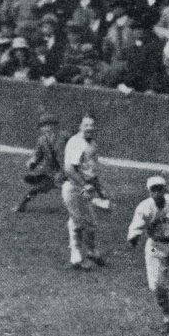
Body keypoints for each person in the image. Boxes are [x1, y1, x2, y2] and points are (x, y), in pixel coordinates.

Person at [127, 175, 169, 334]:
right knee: (157, 284)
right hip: (156, 245)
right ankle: (167, 318)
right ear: (149, 192)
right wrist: (134, 237)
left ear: (165, 190)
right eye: (153, 190)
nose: (157, 193)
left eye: (160, 189)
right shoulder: (144, 207)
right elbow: (135, 228)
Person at [61, 115, 109, 270]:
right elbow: (69, 169)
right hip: (74, 187)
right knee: (77, 221)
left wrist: (100, 190)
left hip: (84, 188)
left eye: (92, 125)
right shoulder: (76, 143)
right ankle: (76, 257)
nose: (89, 127)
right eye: (86, 124)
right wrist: (83, 185)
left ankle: (91, 251)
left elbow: (91, 171)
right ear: (80, 126)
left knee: (91, 222)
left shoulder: (93, 144)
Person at [16, 113, 62, 213]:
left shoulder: (63, 138)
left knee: (78, 188)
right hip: (50, 172)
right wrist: (32, 162)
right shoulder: (42, 140)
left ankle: (90, 200)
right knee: (36, 189)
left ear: (54, 126)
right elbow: (37, 155)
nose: (46, 128)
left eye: (48, 125)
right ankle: (21, 205)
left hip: (64, 169)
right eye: (43, 126)